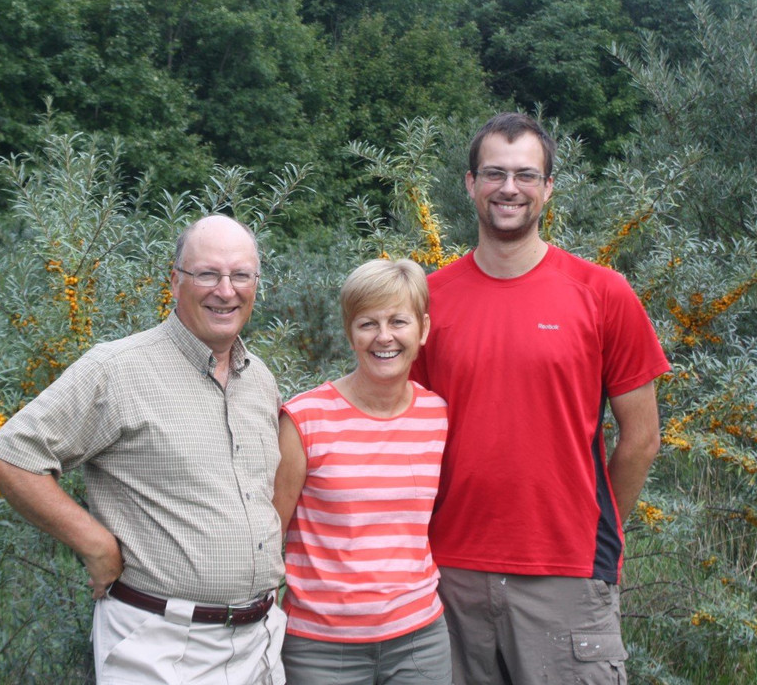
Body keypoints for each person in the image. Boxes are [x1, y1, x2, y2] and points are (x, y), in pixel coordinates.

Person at [410, 112, 670, 684]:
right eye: (494, 173)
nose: (509, 187)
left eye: (526, 175)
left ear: (548, 188)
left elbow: (643, 438)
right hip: (445, 575)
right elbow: (403, 430)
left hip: (567, 576)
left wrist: (595, 527)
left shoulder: (602, 293)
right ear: (469, 183)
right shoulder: (428, 301)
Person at [0, 214, 287, 684]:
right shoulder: (118, 369)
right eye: (207, 274)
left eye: (241, 275)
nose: (226, 290)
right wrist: (94, 543)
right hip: (159, 646)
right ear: (174, 280)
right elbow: (9, 456)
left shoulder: (259, 380)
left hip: (258, 646)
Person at [273, 258, 451, 684]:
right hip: (319, 647)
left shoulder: (437, 415)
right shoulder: (304, 419)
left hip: (419, 640)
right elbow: (268, 533)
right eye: (368, 323)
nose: (384, 336)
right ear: (350, 332)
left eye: (398, 321)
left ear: (423, 330)